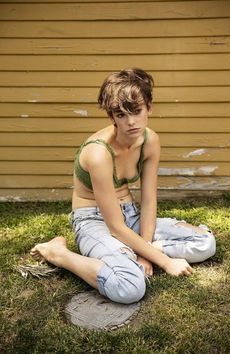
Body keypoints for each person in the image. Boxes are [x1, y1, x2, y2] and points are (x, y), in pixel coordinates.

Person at [31, 68, 216, 304]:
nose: (131, 122)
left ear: (149, 107)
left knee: (205, 242)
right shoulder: (98, 153)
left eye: (137, 111)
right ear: (112, 117)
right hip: (95, 221)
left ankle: (129, 253)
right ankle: (59, 253)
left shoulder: (150, 141)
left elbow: (148, 200)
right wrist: (166, 262)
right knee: (129, 287)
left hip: (130, 215)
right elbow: (115, 227)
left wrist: (146, 253)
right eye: (121, 114)